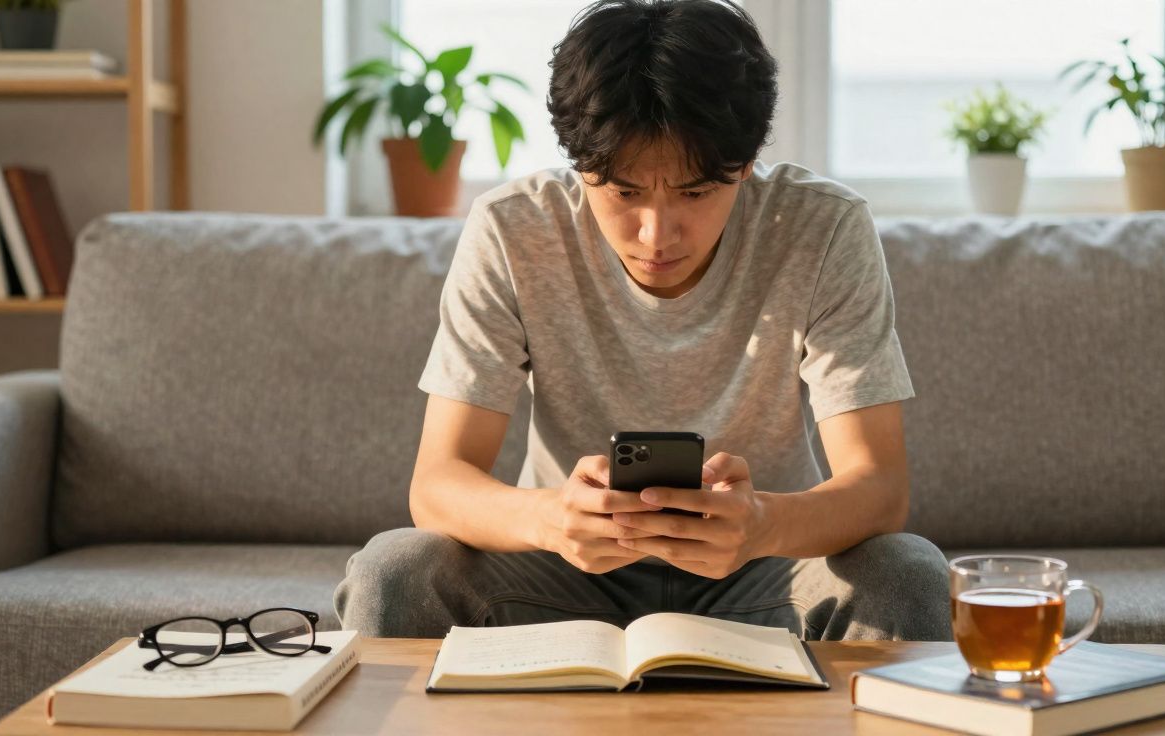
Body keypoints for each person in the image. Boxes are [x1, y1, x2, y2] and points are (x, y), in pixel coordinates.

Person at [335, 0, 951, 641]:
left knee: (906, 573)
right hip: (562, 567)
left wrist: (762, 523)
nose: (656, 234)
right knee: (395, 570)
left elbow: (880, 487)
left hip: (766, 565)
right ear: (580, 165)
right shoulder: (512, 229)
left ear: (744, 164)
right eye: (625, 192)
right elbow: (438, 483)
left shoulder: (823, 227)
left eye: (695, 192)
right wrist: (553, 519)